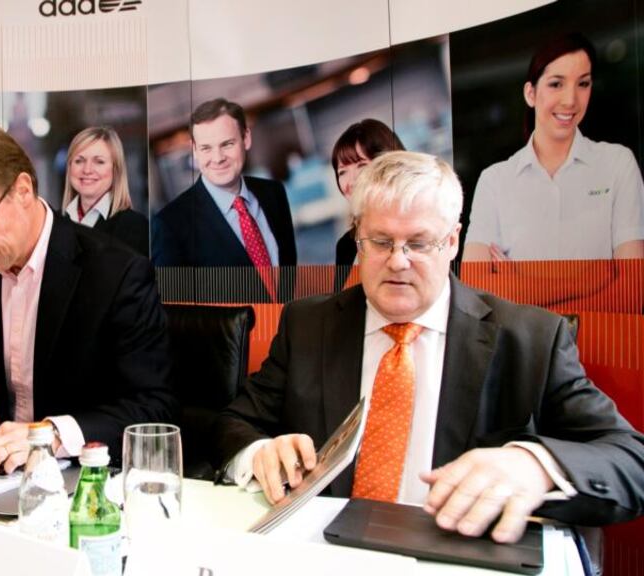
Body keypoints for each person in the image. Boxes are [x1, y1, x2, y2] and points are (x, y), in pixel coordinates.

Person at [214, 151, 644, 545]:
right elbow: (234, 423)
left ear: (453, 242)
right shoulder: (308, 324)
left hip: (455, 556)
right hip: (325, 553)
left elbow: (630, 460)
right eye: (380, 242)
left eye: (419, 244)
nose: (398, 261)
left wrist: (535, 465)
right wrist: (259, 453)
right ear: (357, 238)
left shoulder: (529, 339)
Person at [0, 124, 176, 474]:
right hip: (3, 477)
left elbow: (152, 408)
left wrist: (51, 436)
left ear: (22, 190)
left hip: (86, 480)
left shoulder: (116, 273)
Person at [465, 32, 644, 263]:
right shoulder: (494, 181)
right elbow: (476, 287)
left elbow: (631, 287)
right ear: (530, 94)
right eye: (556, 84)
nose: (570, 100)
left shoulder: (617, 164)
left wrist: (516, 284)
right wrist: (601, 279)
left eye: (583, 83)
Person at [151, 98, 296, 302]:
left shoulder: (273, 194)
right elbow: (172, 315)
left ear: (246, 138)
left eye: (227, 144)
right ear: (194, 150)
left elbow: (289, 276)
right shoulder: (171, 225)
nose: (217, 158)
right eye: (206, 148)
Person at [330, 119, 406, 292]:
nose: (351, 180)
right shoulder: (346, 245)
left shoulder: (418, 228)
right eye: (342, 172)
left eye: (361, 165)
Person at [62, 126, 149, 257]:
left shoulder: (136, 227)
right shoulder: (54, 225)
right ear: (69, 167)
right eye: (79, 161)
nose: (87, 170)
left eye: (99, 162)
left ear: (116, 170)